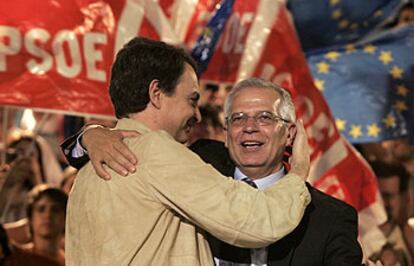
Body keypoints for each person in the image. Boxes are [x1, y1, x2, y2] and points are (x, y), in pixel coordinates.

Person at [64, 37, 311, 265]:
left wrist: (88, 134)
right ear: (156, 94)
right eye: (191, 100)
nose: (197, 114)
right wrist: (298, 172)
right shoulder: (155, 152)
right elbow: (254, 220)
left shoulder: (86, 173)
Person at [370, 161, 413, 266]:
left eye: (388, 196)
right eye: (378, 196)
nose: (383, 203)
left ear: (404, 198)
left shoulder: (408, 234)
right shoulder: (357, 237)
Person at [20, 185, 67, 265]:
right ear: (30, 218)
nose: (48, 215)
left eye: (55, 210)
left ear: (65, 218)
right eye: (41, 209)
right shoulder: (17, 258)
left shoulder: (70, 262)